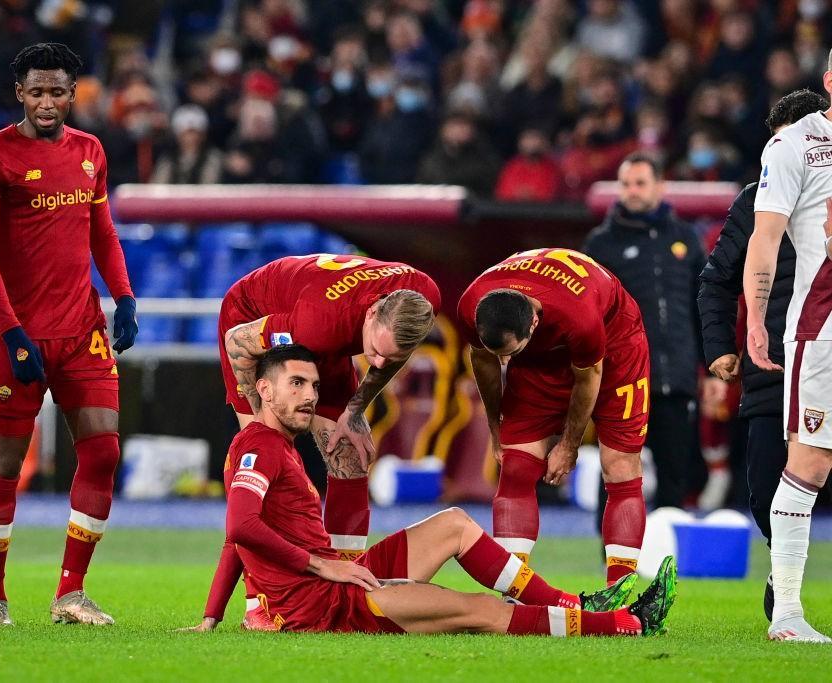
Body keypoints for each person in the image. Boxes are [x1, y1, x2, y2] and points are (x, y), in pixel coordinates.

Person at [186, 344, 676, 635]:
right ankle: (623, 625)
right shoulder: (261, 446)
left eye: (313, 385)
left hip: (337, 580)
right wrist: (322, 564)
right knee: (479, 609)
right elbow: (241, 526)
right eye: (296, 384)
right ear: (264, 390)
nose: (310, 395)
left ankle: (571, 604)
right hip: (320, 603)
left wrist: (212, 616)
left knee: (455, 524)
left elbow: (238, 538)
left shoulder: (274, 444)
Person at [0, 43, 138, 627]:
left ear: (73, 93)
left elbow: (103, 234)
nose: (46, 102)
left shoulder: (90, 151)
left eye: (57, 91)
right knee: (5, 465)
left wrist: (126, 298)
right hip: (18, 335)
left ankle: (71, 593)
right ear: (19, 92)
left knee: (104, 451)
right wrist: (11, 333)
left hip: (82, 330)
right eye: (36, 91)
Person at [192, 254, 441, 630]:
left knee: (350, 456)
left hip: (326, 334)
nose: (376, 362)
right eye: (374, 349)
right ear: (371, 315)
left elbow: (382, 357)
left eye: (391, 357)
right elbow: (237, 342)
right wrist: (260, 423)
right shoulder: (319, 323)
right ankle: (258, 604)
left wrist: (355, 410)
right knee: (268, 458)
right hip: (252, 323)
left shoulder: (420, 301)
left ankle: (348, 581)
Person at [697, 88, 828, 623]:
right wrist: (720, 350)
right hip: (780, 360)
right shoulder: (756, 205)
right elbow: (716, 282)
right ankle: (786, 586)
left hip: (808, 347)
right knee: (769, 486)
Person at [457, 248, 650, 586]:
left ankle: (619, 590)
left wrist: (568, 445)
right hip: (540, 358)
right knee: (516, 466)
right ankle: (514, 589)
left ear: (533, 323)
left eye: (510, 354)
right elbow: (485, 362)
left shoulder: (579, 318)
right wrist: (494, 424)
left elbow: (589, 375)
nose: (504, 363)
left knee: (620, 466)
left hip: (617, 343)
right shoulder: (472, 303)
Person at [742, 51, 832, 644]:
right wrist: (754, 316)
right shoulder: (796, 144)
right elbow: (766, 236)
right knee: (810, 461)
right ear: (829, 81)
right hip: (822, 327)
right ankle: (788, 614)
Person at [584, 152, 707, 512]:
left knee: (675, 477)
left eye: (640, 183)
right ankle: (611, 559)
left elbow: (703, 306)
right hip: (623, 380)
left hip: (677, 378)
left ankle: (666, 558)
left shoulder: (686, 238)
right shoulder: (601, 244)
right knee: (615, 472)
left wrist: (710, 364)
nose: (632, 191)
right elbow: (588, 316)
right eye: (626, 184)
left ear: (660, 186)